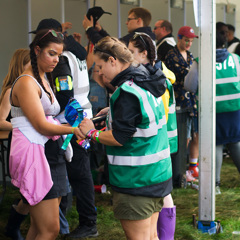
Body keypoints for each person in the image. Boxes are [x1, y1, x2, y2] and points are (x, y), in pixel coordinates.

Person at [79, 36, 172, 240]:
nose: (100, 71)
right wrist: (112, 112)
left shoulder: (126, 91)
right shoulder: (144, 79)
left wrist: (91, 132)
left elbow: (120, 138)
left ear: (113, 60)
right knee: (152, 236)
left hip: (136, 180)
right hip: (158, 174)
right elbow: (140, 120)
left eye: (101, 65)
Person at [9, 29, 82, 240]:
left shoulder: (44, 77)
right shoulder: (26, 82)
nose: (56, 60)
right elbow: (41, 125)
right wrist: (73, 129)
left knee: (40, 227)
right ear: (37, 50)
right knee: (49, 229)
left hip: (50, 154)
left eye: (59, 55)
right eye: (51, 53)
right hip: (37, 156)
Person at [30, 18, 98, 238]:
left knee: (78, 172)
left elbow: (65, 94)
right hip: (79, 116)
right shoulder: (75, 52)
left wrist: (44, 104)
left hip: (70, 122)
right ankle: (69, 218)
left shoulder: (60, 59)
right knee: (77, 172)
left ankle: (87, 222)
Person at [128, 32, 176, 240]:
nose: (128, 57)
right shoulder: (158, 73)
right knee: (163, 194)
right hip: (162, 141)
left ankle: (165, 237)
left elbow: (154, 114)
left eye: (131, 52)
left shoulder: (151, 79)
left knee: (162, 194)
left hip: (156, 142)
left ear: (144, 53)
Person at [184, 31, 240, 195]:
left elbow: (189, 85)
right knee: (236, 142)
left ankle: (214, 185)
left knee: (215, 144)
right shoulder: (236, 59)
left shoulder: (201, 62)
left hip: (211, 111)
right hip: (234, 110)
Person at [0, 49, 30, 240]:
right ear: (22, 65)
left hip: (27, 142)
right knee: (29, 190)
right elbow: (0, 120)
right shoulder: (12, 89)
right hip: (19, 142)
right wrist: (22, 126)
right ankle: (13, 226)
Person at [165, 26, 199, 180]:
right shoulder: (171, 55)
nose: (189, 44)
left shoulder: (190, 55)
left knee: (194, 135)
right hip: (179, 101)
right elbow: (185, 74)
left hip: (191, 101)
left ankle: (193, 167)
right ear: (179, 38)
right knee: (183, 137)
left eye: (191, 41)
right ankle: (179, 169)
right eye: (186, 40)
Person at [82, 7, 155, 46]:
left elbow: (109, 46)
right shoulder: (147, 36)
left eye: (129, 19)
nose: (126, 23)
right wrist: (101, 31)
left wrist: (89, 28)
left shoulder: (137, 38)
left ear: (139, 21)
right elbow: (115, 43)